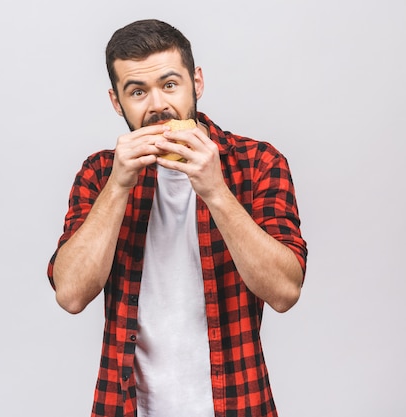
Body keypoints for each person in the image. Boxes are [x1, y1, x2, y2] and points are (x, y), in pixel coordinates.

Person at [47, 19, 307, 417]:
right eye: (137, 92)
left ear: (196, 83)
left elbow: (285, 291)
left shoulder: (257, 163)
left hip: (239, 403)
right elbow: (70, 294)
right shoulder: (100, 174)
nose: (157, 105)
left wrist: (216, 191)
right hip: (128, 408)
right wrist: (118, 186)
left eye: (170, 85)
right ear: (117, 102)